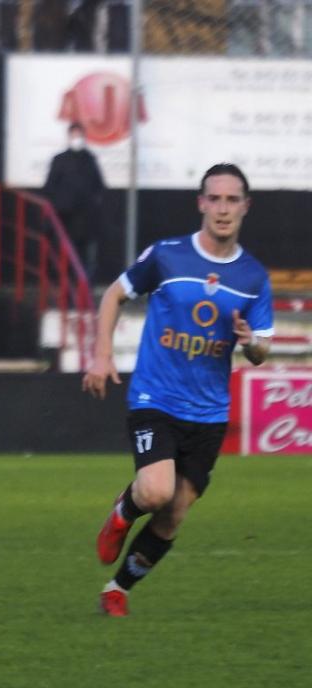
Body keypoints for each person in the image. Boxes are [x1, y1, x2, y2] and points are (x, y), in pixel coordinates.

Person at [82, 163, 272, 617]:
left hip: (208, 414)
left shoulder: (252, 277)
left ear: (245, 207)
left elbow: (262, 349)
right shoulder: (167, 256)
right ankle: (123, 512)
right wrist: (102, 354)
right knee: (154, 492)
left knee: (173, 514)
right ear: (201, 204)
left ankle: (118, 589)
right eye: (215, 198)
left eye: (232, 200)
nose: (223, 209)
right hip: (157, 399)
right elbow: (114, 295)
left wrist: (251, 345)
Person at [43, 122, 106, 279]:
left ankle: (84, 284)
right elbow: (50, 186)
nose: (77, 139)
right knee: (64, 252)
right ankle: (64, 282)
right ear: (69, 136)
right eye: (74, 135)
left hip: (86, 217)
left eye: (80, 136)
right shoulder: (60, 160)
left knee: (86, 253)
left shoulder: (90, 159)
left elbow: (99, 185)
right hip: (65, 216)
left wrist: (94, 204)